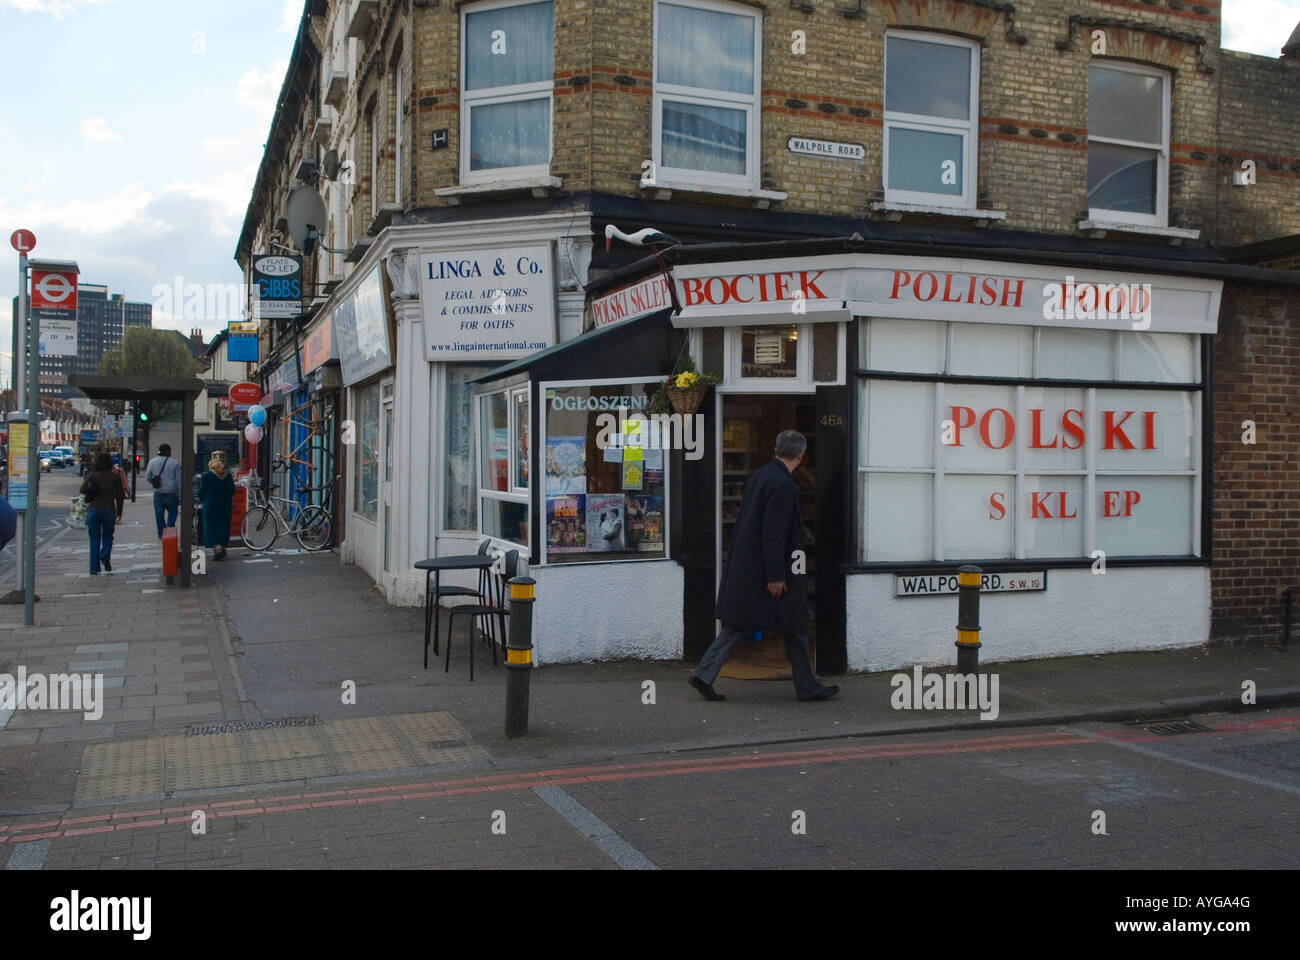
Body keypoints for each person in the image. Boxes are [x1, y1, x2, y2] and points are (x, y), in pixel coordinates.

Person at [688, 429, 838, 703]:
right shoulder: (783, 484)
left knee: (755, 624)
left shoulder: (761, 475)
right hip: (772, 571)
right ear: (801, 455)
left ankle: (704, 673)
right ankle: (807, 687)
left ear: (776, 449)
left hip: (752, 567)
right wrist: (776, 576)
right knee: (789, 622)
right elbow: (774, 533)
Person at [80, 452, 124, 575]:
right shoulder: (115, 477)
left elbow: (82, 490)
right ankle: (105, 554)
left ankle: (94, 568)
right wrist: (119, 512)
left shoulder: (93, 476)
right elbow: (120, 496)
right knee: (108, 536)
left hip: (93, 510)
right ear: (110, 463)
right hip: (109, 510)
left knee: (94, 539)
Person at [198, 451, 236, 560]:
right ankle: (222, 545)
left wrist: (201, 500)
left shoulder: (207, 476)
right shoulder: (228, 476)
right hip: (225, 505)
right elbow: (232, 491)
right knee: (223, 526)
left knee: (211, 527)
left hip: (210, 506)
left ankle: (217, 548)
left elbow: (201, 492)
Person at [144, 443, 182, 538]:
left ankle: (161, 534)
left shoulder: (152, 462)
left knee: (159, 514)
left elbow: (148, 476)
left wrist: (154, 483)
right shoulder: (174, 463)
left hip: (158, 492)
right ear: (167, 451)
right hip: (171, 492)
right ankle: (169, 530)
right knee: (173, 512)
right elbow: (178, 480)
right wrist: (180, 494)